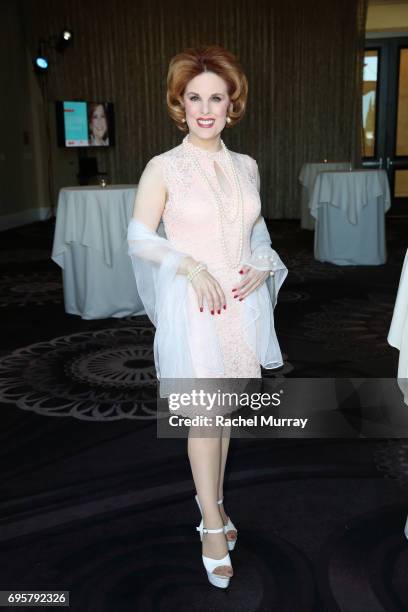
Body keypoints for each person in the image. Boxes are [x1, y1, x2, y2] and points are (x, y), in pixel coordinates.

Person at [127, 45, 287, 588]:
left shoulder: (246, 166)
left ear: (231, 104)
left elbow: (258, 233)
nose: (205, 107)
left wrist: (264, 264)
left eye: (215, 97)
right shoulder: (163, 167)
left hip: (240, 305)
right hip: (196, 306)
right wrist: (189, 265)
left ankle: (213, 504)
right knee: (204, 416)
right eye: (194, 97)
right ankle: (212, 525)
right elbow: (138, 237)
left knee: (223, 415)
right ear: (180, 103)